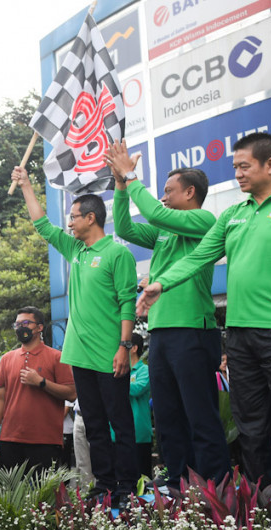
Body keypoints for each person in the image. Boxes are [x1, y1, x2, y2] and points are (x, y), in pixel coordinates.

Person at [138, 132, 271, 499]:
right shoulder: (232, 214)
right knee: (252, 426)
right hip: (239, 337)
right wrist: (161, 283)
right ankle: (260, 505)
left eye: (244, 166)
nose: (238, 174)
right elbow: (199, 256)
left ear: (270, 165)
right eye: (235, 167)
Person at [106, 139, 231, 487]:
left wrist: (131, 176)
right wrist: (120, 185)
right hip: (160, 332)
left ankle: (214, 483)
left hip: (193, 330)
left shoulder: (204, 220)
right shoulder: (164, 231)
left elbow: (154, 213)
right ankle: (177, 479)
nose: (162, 197)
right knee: (167, 413)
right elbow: (125, 228)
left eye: (168, 191)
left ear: (190, 193)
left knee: (200, 413)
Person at [13, 166, 139, 508]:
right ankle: (104, 485)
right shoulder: (76, 251)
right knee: (93, 424)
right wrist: (26, 185)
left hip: (110, 355)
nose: (69, 223)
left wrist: (124, 346)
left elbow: (128, 302)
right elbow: (42, 225)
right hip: (80, 356)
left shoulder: (117, 254)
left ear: (91, 218)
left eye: (74, 217)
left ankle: (127, 487)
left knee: (119, 423)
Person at [0, 307, 76, 472]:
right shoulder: (7, 359)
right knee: (12, 488)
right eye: (17, 324)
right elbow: (0, 398)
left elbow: (72, 394)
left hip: (45, 441)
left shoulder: (57, 357)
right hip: (10, 439)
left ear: (39, 327)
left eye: (26, 323)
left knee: (44, 488)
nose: (21, 328)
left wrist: (41, 382)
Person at [123, 333, 152, 478]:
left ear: (134, 348)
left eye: (124, 345)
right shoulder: (119, 370)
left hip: (139, 432)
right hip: (118, 433)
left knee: (142, 477)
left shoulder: (145, 370)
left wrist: (116, 382)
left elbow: (137, 389)